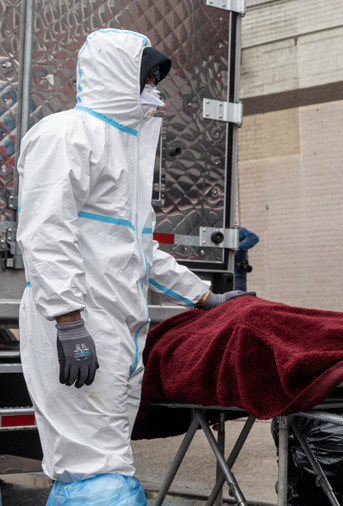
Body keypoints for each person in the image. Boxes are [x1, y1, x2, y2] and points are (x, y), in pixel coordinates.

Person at [16, 29, 249, 505]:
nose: (154, 90)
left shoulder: (125, 148)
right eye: (146, 78)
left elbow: (141, 249)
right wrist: (67, 318)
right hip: (80, 322)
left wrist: (204, 296)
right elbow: (44, 231)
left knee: (102, 455)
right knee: (92, 460)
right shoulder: (67, 134)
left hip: (113, 324)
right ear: (117, 76)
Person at [234, 226, 259, 291]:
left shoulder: (237, 231)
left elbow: (253, 238)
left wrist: (237, 248)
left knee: (239, 298)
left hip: (237, 275)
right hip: (221, 274)